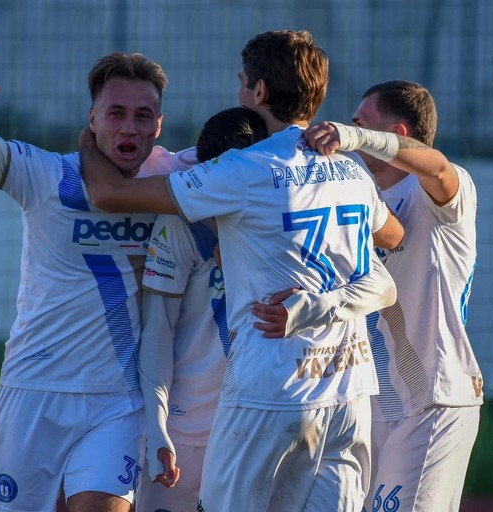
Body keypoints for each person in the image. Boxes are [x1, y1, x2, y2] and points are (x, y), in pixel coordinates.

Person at [79, 30, 404, 511]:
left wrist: (89, 139)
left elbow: (108, 195)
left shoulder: (244, 169)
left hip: (268, 392)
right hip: (347, 392)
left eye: (242, 82)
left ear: (260, 93)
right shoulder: (352, 171)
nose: (239, 92)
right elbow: (393, 236)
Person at [0, 23, 188, 512]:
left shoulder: (176, 180)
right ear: (92, 118)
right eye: (116, 114)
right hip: (34, 393)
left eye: (143, 116)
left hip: (119, 399)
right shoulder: (45, 175)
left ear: (158, 126)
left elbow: (247, 169)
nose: (129, 128)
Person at [303, 80, 482, 512]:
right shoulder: (362, 198)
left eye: (360, 125)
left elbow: (438, 167)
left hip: (432, 398)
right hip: (372, 401)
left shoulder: (436, 193)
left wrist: (356, 139)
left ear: (395, 135)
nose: (348, 133)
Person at [135, 106, 268, 512]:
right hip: (185, 427)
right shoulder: (180, 224)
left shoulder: (288, 221)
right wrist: (157, 423)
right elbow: (157, 329)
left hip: (259, 425)